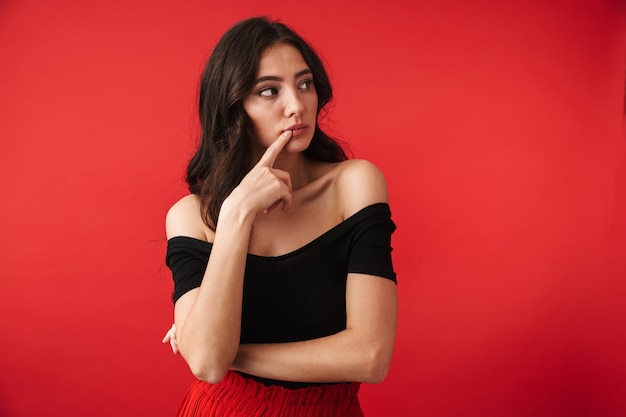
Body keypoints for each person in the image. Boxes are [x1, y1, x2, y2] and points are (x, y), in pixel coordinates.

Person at [162, 16, 398, 417]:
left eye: (304, 83)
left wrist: (231, 355)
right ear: (233, 107)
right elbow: (205, 366)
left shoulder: (354, 185)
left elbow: (370, 356)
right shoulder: (192, 217)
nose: (297, 104)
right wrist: (238, 212)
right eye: (269, 91)